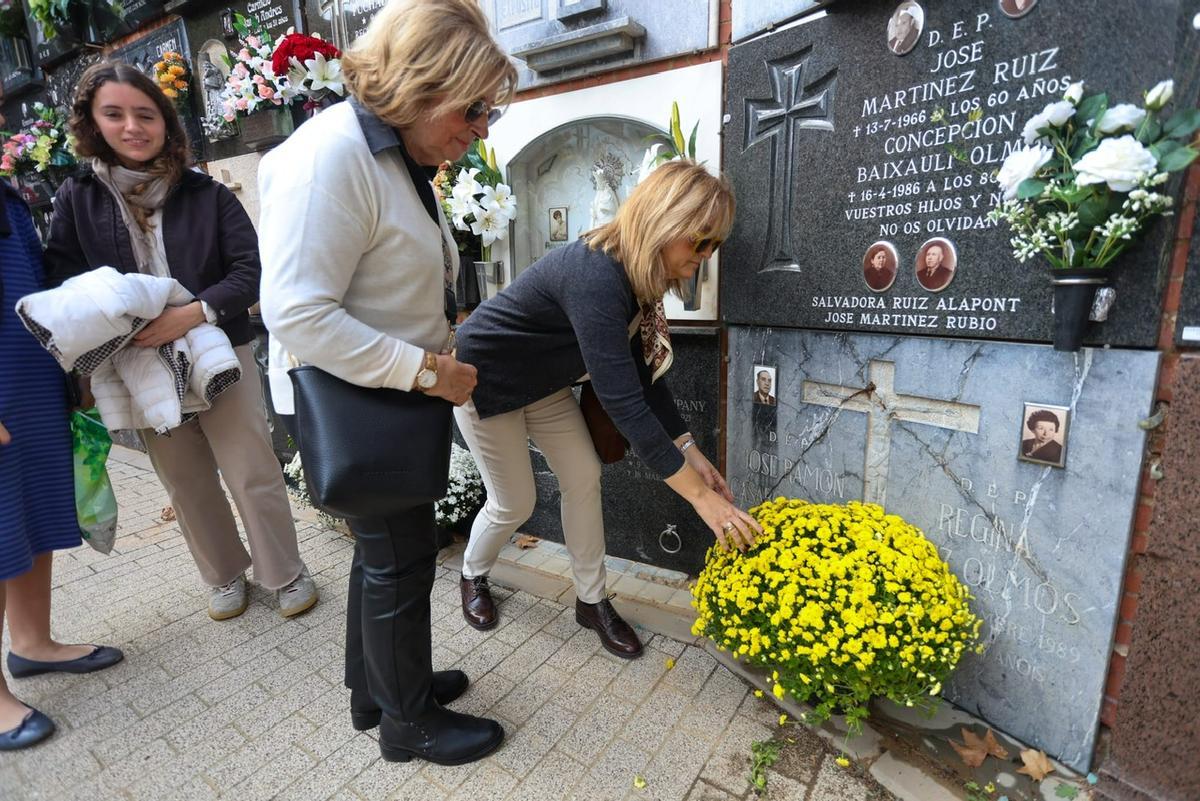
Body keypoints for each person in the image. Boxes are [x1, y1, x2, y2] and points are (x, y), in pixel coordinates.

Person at [257, 0, 515, 767]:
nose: (480, 129)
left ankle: (379, 689)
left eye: (489, 113)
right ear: (421, 85)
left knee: (386, 553)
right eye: (474, 109)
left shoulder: (393, 155)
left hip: (386, 391)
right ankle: (409, 725)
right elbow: (297, 312)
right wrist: (429, 370)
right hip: (364, 395)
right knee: (399, 557)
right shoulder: (332, 155)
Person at [453, 160, 761, 658]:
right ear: (664, 224)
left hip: (545, 385)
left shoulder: (638, 275)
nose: (703, 257)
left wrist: (692, 452)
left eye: (713, 246)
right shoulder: (597, 273)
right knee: (515, 503)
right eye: (698, 242)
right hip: (486, 381)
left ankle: (591, 601)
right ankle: (472, 572)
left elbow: (643, 378)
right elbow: (623, 403)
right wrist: (703, 501)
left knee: (583, 477)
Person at [43, 62, 316, 623]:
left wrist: (193, 312)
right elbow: (63, 282)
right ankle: (221, 575)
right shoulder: (78, 199)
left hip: (220, 347)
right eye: (114, 114)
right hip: (135, 358)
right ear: (94, 124)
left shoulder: (206, 194)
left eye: (146, 114)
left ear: (166, 121)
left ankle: (284, 571)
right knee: (184, 478)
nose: (133, 127)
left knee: (250, 467)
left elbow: (251, 269)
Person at [1, 87, 123, 752]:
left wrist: (69, 371)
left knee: (35, 519)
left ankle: (33, 642)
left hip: (29, 382)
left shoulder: (8, 196)